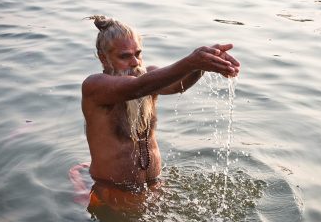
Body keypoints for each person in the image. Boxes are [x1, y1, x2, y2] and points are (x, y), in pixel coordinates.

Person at [78, 15, 240, 210]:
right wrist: (191, 62)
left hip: (153, 188)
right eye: (125, 56)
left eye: (138, 53)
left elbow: (177, 85)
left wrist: (202, 65)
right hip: (113, 194)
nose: (135, 62)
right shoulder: (95, 87)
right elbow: (138, 87)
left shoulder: (149, 77)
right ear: (104, 58)